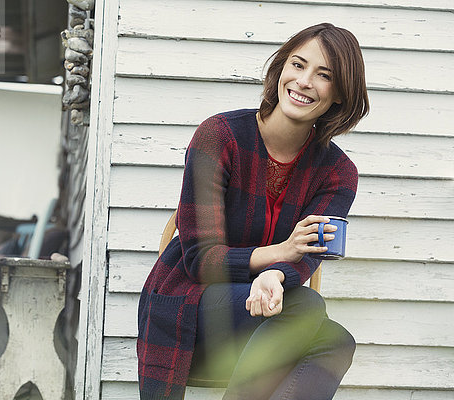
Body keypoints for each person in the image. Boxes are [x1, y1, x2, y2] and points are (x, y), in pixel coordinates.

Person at [137, 23, 370, 400]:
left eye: (324, 75)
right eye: (298, 64)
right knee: (306, 304)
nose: (305, 81)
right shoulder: (220, 137)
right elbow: (200, 259)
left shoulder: (338, 173)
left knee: (337, 341)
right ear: (280, 69)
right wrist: (278, 257)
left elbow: (309, 255)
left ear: (341, 94)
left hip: (270, 314)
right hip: (188, 310)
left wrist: (275, 277)